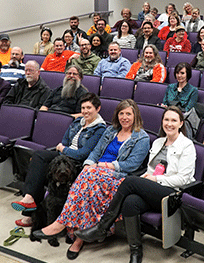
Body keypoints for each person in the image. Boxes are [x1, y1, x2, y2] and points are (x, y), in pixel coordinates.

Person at [74, 106, 195, 263]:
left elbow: (184, 179)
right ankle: (135, 251)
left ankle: (102, 227)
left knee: (130, 181)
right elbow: (151, 170)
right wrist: (148, 176)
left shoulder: (187, 145)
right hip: (152, 190)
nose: (169, 124)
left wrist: (156, 179)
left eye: (174, 120)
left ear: (181, 123)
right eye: (166, 120)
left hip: (172, 194)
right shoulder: (158, 142)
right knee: (130, 203)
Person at [32, 99, 150, 259]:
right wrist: (88, 163)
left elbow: (132, 164)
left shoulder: (141, 138)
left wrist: (107, 166)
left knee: (87, 177)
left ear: (135, 115)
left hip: (118, 177)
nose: (124, 117)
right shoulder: (111, 131)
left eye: (128, 113)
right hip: (95, 173)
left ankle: (62, 225)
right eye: (121, 113)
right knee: (87, 179)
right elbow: (95, 152)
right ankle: (79, 237)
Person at [10, 93, 106, 227]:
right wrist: (63, 149)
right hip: (63, 155)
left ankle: (29, 213)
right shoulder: (78, 121)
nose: (85, 111)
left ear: (98, 108)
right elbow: (65, 140)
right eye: (83, 108)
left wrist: (63, 149)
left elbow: (82, 154)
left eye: (89, 108)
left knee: (41, 163)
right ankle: (29, 200)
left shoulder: (100, 129)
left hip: (75, 162)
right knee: (38, 158)